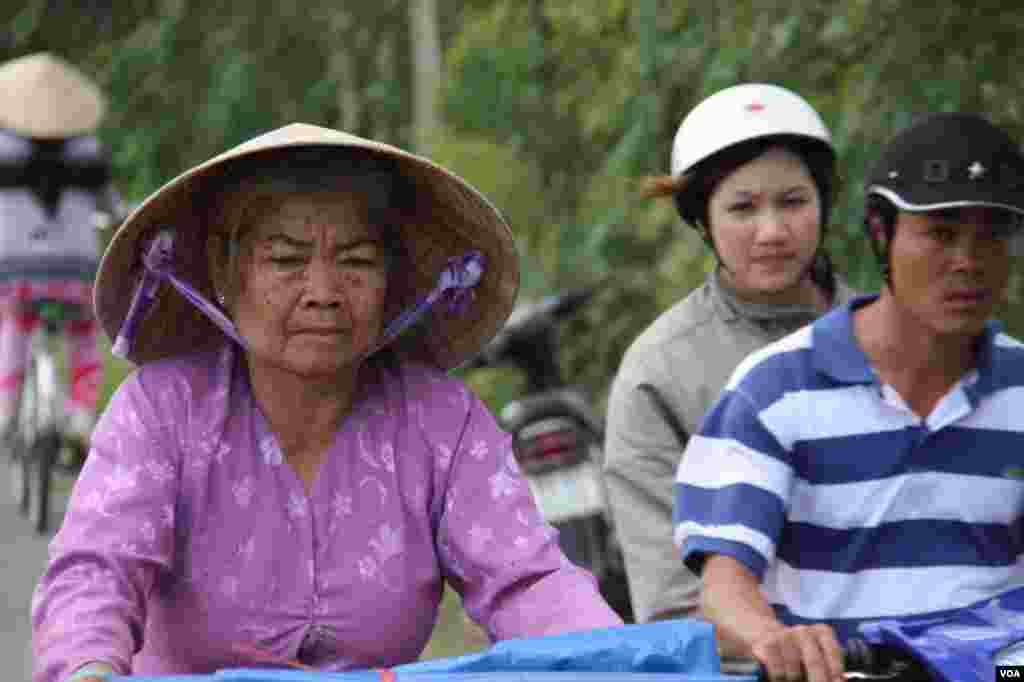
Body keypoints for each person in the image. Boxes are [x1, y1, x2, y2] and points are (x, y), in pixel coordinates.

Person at [31, 123, 623, 682]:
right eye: (286, 260)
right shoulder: (162, 411)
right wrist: (89, 668)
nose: (323, 293)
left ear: (391, 278)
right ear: (224, 272)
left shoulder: (441, 421)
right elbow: (96, 572)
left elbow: (528, 583)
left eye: (357, 260)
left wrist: (612, 661)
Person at [674, 112, 1024, 682]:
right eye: (940, 232)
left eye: (994, 234)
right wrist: (777, 642)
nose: (967, 260)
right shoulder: (772, 390)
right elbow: (723, 586)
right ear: (881, 234)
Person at [603, 83, 856, 626]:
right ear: (702, 221)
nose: (771, 231)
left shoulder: (898, 338)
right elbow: (672, 601)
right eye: (742, 208)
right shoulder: (659, 373)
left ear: (824, 204)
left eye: (793, 202)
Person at [0, 52, 123, 455]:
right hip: (75, 269)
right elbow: (110, 205)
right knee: (84, 333)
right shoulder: (88, 151)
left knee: (16, 323)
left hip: (16, 268)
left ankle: (6, 406)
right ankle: (81, 416)